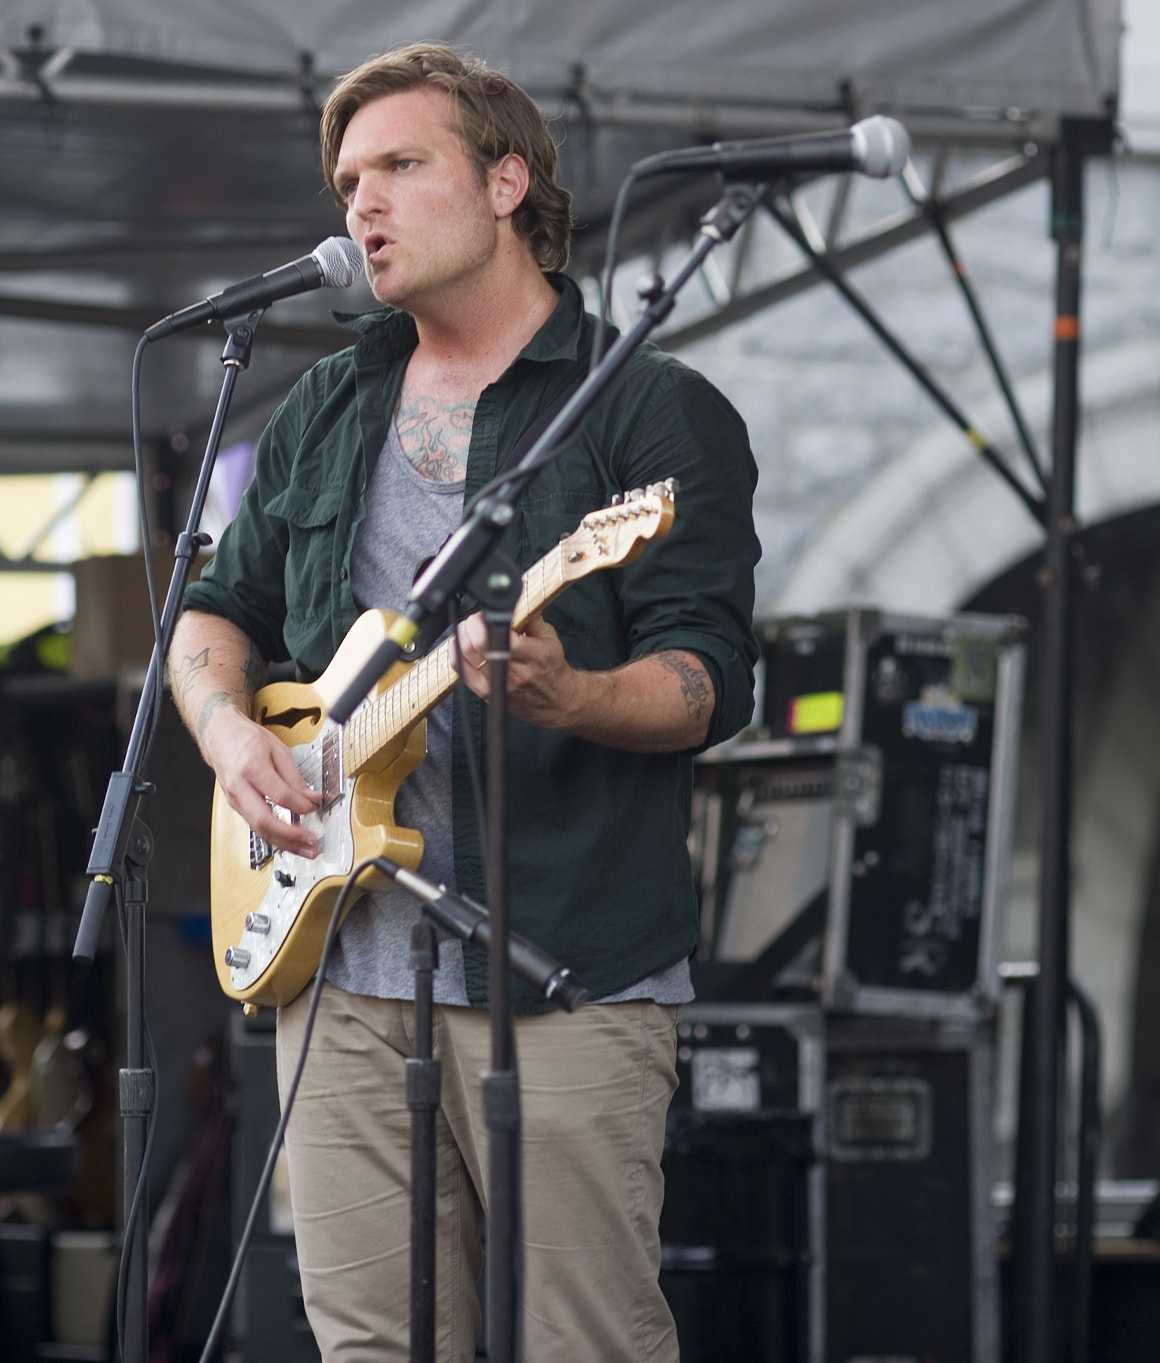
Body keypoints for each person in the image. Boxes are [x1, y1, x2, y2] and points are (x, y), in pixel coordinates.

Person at [170, 44, 760, 1363]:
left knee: (584, 1339)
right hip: (336, 960)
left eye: (399, 166)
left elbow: (710, 679)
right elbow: (215, 614)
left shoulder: (650, 411)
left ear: (507, 182)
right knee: (369, 1342)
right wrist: (227, 735)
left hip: (567, 964)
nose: (360, 205)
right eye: (344, 182)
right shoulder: (327, 401)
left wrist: (575, 688)